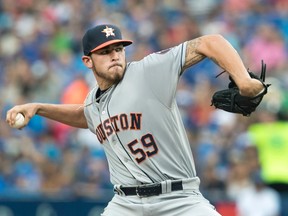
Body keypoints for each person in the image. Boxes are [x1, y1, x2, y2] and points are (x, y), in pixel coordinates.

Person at [6, 24, 265, 216]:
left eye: (118, 48)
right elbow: (85, 115)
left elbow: (211, 41)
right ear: (87, 61)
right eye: (105, 51)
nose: (115, 55)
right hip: (125, 204)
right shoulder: (93, 102)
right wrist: (38, 107)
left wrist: (242, 79)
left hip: (179, 199)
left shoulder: (147, 72)